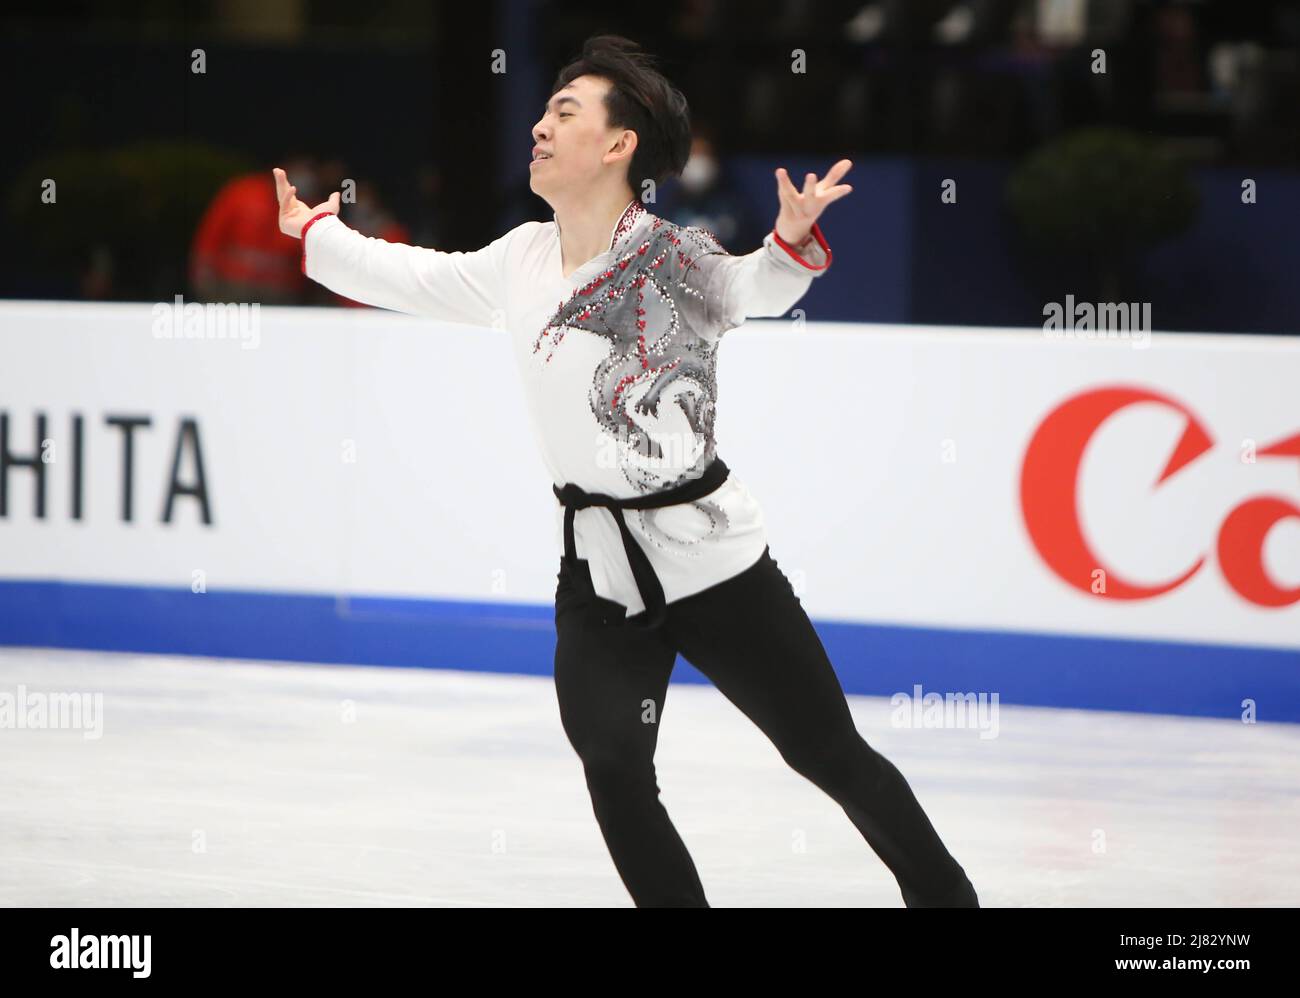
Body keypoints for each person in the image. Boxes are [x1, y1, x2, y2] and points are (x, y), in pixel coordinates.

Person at [273, 34, 978, 909]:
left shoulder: (671, 259)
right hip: (600, 574)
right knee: (613, 767)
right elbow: (415, 277)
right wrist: (319, 233)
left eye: (563, 113)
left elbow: (754, 288)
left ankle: (948, 899)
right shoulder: (520, 260)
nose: (537, 126)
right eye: (542, 110)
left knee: (825, 754)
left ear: (617, 146)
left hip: (713, 563)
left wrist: (789, 243)